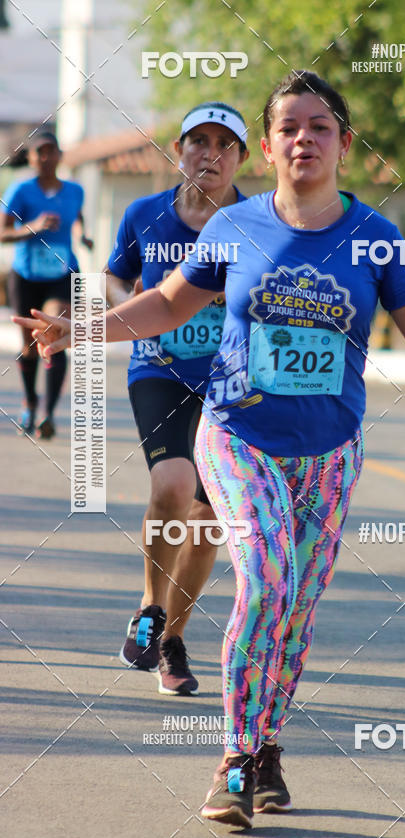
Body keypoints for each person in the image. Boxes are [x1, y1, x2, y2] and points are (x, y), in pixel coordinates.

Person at [14, 71, 405, 829]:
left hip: (330, 454)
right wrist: (81, 329)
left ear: (344, 144)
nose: (305, 138)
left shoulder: (375, 237)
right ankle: (235, 759)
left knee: (295, 615)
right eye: (290, 128)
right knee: (265, 583)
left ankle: (267, 748)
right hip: (238, 438)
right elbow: (168, 302)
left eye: (321, 127)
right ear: (267, 148)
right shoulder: (234, 231)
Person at [104, 103, 249, 695]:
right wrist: (132, 297)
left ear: (242, 157)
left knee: (210, 518)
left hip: (232, 381)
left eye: (224, 144)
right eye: (198, 142)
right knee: (172, 486)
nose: (210, 154)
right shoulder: (144, 214)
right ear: (179, 150)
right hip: (159, 371)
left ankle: (172, 638)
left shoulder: (256, 224)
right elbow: (116, 276)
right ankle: (149, 604)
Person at [0, 129, 93, 439]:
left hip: (61, 274)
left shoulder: (75, 190)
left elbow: (77, 216)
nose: (45, 157)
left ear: (59, 155)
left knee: (53, 333)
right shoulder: (20, 191)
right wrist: (33, 228)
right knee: (28, 344)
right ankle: (30, 400)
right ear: (31, 157)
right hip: (25, 275)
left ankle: (48, 415)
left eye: (51, 150)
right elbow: (2, 233)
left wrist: (82, 234)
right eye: (39, 152)